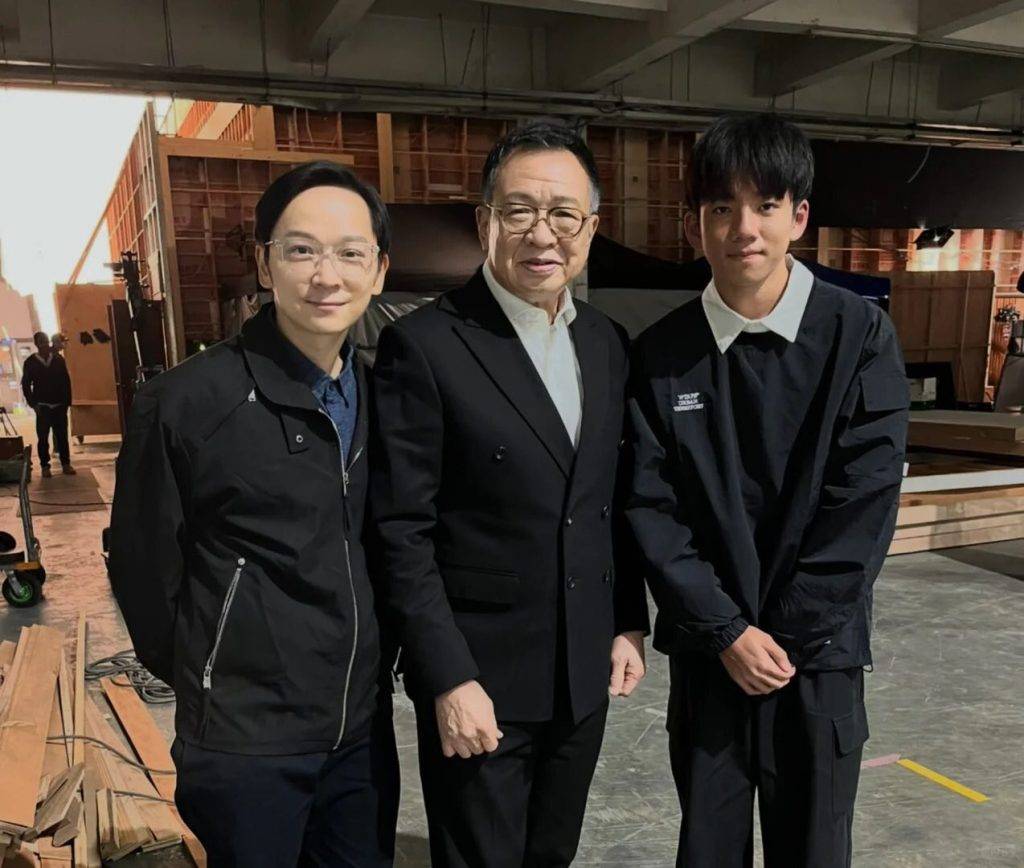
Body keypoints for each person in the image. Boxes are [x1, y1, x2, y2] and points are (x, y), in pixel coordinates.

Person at [626, 113, 909, 868]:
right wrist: (726, 632)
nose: (743, 228)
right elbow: (651, 507)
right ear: (694, 223)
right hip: (710, 656)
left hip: (818, 656)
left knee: (813, 848)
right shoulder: (663, 354)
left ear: (799, 217)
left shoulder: (859, 336)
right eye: (721, 207)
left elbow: (865, 503)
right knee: (708, 848)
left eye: (766, 205)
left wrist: (781, 638)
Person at [370, 122, 649, 868]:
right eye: (519, 211)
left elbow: (610, 497)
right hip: (481, 677)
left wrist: (627, 622)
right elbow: (400, 530)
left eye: (564, 214)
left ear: (591, 227)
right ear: (484, 221)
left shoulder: (606, 343)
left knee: (552, 852)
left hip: (582, 671)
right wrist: (446, 676)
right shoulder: (427, 345)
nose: (542, 234)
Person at [109, 161, 399, 867]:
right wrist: (214, 676)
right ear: (266, 265)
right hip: (246, 745)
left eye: (350, 253)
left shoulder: (386, 395)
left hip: (359, 732)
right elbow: (144, 572)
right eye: (301, 250)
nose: (326, 276)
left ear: (379, 271)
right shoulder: (186, 403)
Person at [21, 330, 75, 477]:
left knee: (62, 437)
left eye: (46, 341)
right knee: (43, 438)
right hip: (42, 407)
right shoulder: (30, 362)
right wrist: (33, 404)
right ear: (36, 344)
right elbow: (26, 385)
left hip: (59, 405)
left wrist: (66, 403)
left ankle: (66, 464)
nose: (44, 344)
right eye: (41, 342)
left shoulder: (58, 359)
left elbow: (66, 381)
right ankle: (45, 466)